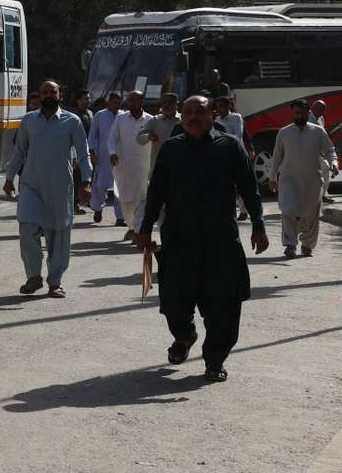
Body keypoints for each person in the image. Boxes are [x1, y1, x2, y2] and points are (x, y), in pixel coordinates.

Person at [136, 96, 268, 383]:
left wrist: (259, 223)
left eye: (200, 111)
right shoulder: (171, 149)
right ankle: (185, 336)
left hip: (220, 241)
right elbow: (156, 191)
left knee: (225, 306)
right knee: (174, 302)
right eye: (188, 112)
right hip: (179, 240)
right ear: (181, 117)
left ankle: (214, 361)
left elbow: (249, 187)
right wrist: (144, 229)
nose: (193, 116)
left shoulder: (231, 146)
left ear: (213, 115)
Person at [3, 80, 92, 298]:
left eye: (53, 91)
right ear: (39, 97)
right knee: (26, 228)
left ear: (60, 96)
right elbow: (19, 151)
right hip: (31, 185)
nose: (49, 95)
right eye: (45, 92)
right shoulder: (29, 120)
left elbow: (83, 153)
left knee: (58, 235)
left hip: (60, 187)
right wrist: (9, 177)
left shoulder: (73, 121)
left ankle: (55, 282)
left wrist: (86, 182)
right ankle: (33, 276)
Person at [269, 99, 339, 259]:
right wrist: (272, 177)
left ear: (308, 113)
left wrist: (334, 162)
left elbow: (330, 150)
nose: (299, 116)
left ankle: (307, 245)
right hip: (289, 180)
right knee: (288, 211)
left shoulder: (318, 131)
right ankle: (290, 245)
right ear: (292, 114)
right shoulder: (284, 132)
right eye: (296, 113)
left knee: (311, 215)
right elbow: (276, 157)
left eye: (302, 113)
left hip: (312, 180)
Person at [108, 90, 152, 242]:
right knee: (126, 201)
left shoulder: (150, 120)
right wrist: (112, 153)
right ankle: (132, 227)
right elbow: (112, 138)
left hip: (144, 168)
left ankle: (139, 231)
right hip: (123, 167)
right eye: (129, 100)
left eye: (135, 100)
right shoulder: (120, 119)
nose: (131, 103)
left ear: (141, 102)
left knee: (142, 198)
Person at [88, 91, 125, 226]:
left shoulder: (123, 116)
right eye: (114, 102)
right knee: (100, 185)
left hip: (121, 156)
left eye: (118, 102)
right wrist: (92, 152)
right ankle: (98, 208)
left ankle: (120, 217)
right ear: (108, 102)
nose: (117, 105)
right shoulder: (100, 115)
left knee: (120, 186)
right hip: (103, 155)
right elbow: (92, 135)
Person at [215, 97, 250, 221]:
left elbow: (239, 135)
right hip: (222, 154)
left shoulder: (236, 117)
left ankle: (244, 210)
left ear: (228, 106)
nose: (220, 109)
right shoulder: (217, 120)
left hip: (235, 152)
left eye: (222, 106)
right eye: (218, 107)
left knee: (240, 182)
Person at [137, 92, 181, 168]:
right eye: (164, 102)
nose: (167, 105)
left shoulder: (183, 120)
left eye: (170, 102)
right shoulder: (154, 120)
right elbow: (139, 139)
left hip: (179, 165)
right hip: (159, 166)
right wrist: (148, 136)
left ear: (177, 104)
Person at [71, 89, 93, 214]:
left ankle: (82, 201)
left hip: (89, 151)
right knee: (76, 179)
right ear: (78, 101)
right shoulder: (75, 116)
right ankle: (74, 204)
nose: (88, 101)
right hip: (78, 152)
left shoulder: (90, 113)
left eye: (89, 98)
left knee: (86, 178)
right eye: (85, 99)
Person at [310, 100, 335, 203]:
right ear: (314, 108)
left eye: (324, 110)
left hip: (319, 151)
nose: (322, 112)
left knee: (325, 170)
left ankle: (322, 194)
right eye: (321, 110)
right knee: (322, 170)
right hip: (310, 151)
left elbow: (322, 134)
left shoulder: (321, 118)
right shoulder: (307, 118)